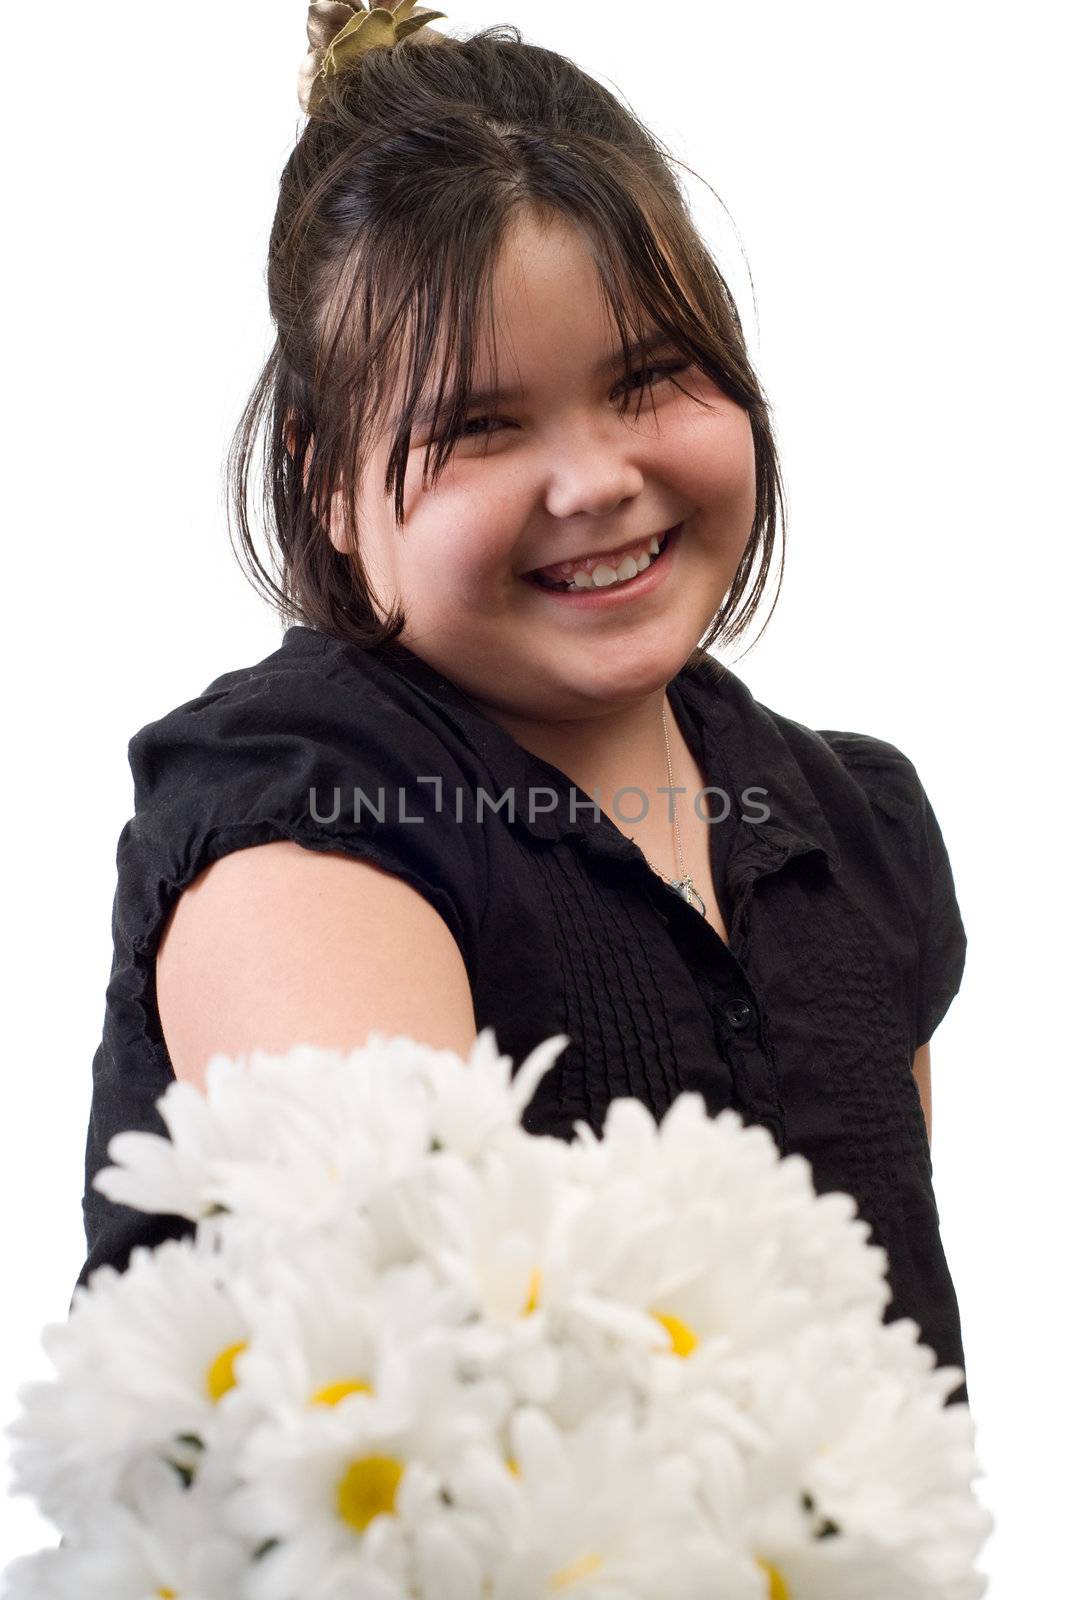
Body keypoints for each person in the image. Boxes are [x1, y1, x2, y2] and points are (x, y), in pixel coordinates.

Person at [76, 5, 972, 1410]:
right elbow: (446, 1423)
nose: (595, 479)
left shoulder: (855, 832)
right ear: (324, 477)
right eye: (483, 427)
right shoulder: (301, 830)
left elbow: (898, 1400)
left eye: (648, 378)